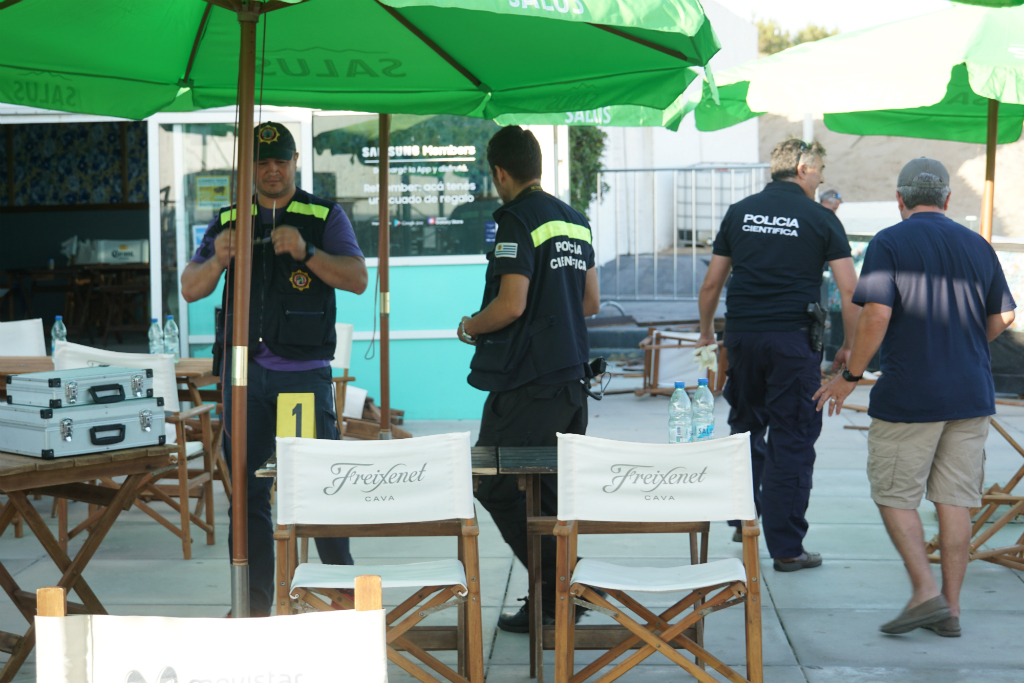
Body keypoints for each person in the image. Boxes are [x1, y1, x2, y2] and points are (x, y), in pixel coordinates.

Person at [814, 158, 1016, 637]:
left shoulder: (890, 240)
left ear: (899, 200)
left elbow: (876, 316)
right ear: (948, 199)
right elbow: (1004, 317)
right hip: (971, 392)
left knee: (895, 494)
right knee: (954, 502)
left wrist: (850, 374)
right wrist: (963, 346)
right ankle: (952, 610)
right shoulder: (978, 245)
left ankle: (925, 593)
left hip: (910, 393)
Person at [181, 122, 368, 616]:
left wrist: (306, 251)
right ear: (250, 168)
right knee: (246, 493)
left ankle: (340, 599)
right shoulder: (228, 218)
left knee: (317, 489)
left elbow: (357, 278)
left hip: (301, 378)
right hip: (244, 382)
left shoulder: (323, 214)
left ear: (294, 162)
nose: (271, 170)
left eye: (279, 160)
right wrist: (218, 259)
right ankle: (254, 605)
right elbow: (189, 287)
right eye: (262, 162)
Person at [458, 125, 600, 632]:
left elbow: (510, 304)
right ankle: (555, 599)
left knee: (491, 481)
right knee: (551, 492)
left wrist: (469, 325)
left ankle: (559, 588)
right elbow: (590, 303)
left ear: (499, 172)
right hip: (571, 382)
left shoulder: (515, 219)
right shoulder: (575, 220)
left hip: (527, 383)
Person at [695, 138, 860, 571]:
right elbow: (849, 290)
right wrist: (850, 346)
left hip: (743, 337)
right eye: (820, 167)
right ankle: (786, 548)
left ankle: (742, 516)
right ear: (803, 167)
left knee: (745, 426)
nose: (823, 176)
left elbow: (712, 284)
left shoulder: (740, 211)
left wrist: (707, 333)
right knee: (792, 437)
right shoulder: (821, 219)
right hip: (792, 341)